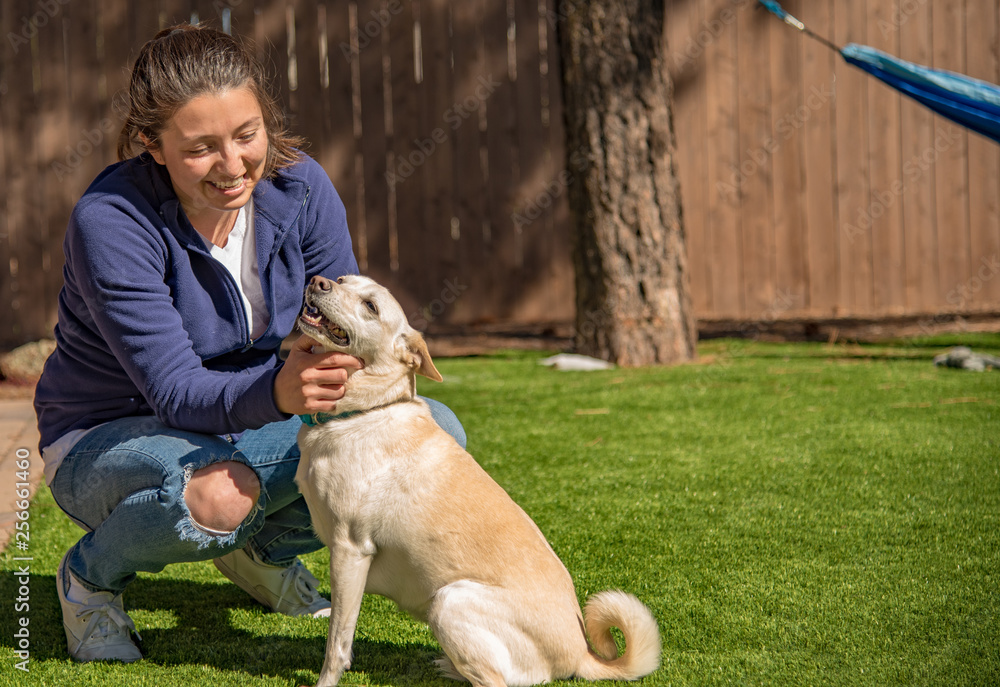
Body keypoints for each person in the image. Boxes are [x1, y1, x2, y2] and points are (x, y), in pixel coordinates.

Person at [33, 24, 465, 663]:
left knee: (435, 434)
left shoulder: (303, 186)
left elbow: (337, 327)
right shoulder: (112, 221)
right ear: (152, 144)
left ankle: (266, 553)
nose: (234, 167)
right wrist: (279, 391)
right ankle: (89, 581)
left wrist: (318, 377)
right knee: (219, 494)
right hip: (108, 430)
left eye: (246, 135)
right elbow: (176, 391)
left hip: (248, 414)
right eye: (201, 148)